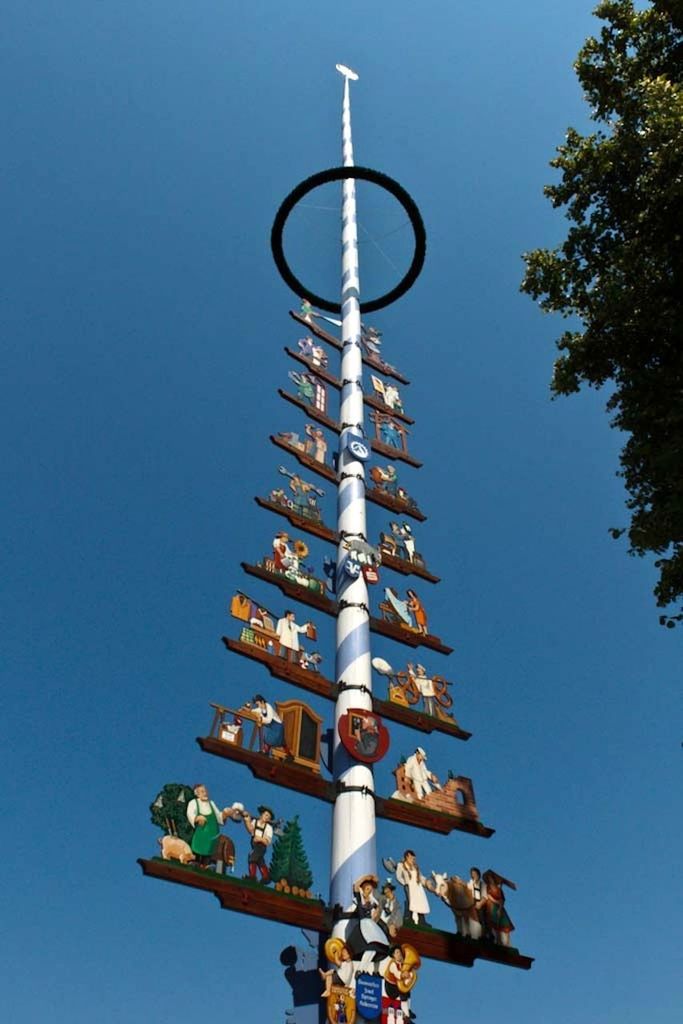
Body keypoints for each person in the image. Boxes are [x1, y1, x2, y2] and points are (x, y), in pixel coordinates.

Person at [186, 784, 232, 868]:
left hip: (212, 839)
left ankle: (207, 866)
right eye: (202, 791)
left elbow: (219, 818)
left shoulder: (211, 803)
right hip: (201, 838)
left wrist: (225, 814)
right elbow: (190, 814)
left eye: (206, 791)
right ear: (197, 793)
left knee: (209, 857)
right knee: (198, 856)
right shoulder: (194, 803)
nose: (205, 793)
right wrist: (197, 818)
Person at [395, 850, 430, 925]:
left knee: (420, 902)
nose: (413, 860)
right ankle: (412, 919)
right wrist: (405, 883)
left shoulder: (415, 867)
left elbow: (420, 877)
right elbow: (398, 876)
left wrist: (426, 882)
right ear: (407, 856)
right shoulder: (401, 865)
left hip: (417, 886)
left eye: (414, 858)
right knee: (411, 902)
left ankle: (422, 920)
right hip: (409, 886)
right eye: (411, 858)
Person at [482, 870, 516, 946]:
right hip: (491, 907)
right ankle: (497, 941)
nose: (490, 880)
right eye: (489, 878)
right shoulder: (487, 888)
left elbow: (502, 899)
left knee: (504, 926)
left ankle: (507, 944)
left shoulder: (499, 889)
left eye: (491, 878)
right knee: (493, 925)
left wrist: (500, 908)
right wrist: (496, 902)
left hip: (500, 909)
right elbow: (488, 896)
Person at [242, 805, 274, 882]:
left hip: (261, 846)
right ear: (262, 814)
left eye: (268, 817)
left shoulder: (268, 828)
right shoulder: (254, 822)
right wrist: (246, 820)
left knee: (252, 857)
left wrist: (260, 839)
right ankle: (266, 877)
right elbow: (250, 830)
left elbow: (268, 841)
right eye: (266, 815)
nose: (266, 817)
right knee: (260, 860)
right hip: (254, 845)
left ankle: (252, 876)